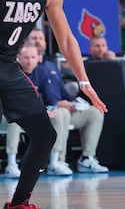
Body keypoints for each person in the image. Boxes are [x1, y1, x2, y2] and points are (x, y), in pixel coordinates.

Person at [0, 0, 106, 209]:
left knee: (45, 134)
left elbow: (68, 40)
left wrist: (84, 82)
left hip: (7, 64)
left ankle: (17, 207)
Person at [7, 41, 108, 176]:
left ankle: (74, 160)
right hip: (18, 114)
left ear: (38, 58)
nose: (30, 61)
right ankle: (12, 164)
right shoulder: (12, 73)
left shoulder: (43, 72)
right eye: (26, 57)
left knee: (89, 112)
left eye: (33, 57)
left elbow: (51, 96)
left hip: (41, 114)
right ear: (18, 58)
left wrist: (73, 104)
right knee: (18, 118)